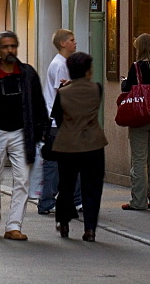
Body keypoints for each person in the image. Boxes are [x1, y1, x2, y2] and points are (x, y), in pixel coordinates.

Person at [0, 30, 48, 241]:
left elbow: (38, 105)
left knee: (23, 180)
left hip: (22, 133)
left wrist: (41, 133)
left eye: (13, 46)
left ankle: (14, 225)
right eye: (6, 47)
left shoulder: (27, 74)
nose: (10, 50)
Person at [52, 51, 107, 241]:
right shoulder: (97, 89)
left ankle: (64, 223)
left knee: (66, 185)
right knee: (92, 187)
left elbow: (57, 118)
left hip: (68, 144)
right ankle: (90, 229)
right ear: (88, 71)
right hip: (93, 143)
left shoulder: (63, 93)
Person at [38, 28, 78, 215]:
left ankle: (72, 198)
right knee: (55, 164)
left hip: (60, 121)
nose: (75, 42)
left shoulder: (62, 63)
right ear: (63, 43)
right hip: (58, 122)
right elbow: (61, 94)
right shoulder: (61, 64)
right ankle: (48, 201)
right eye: (72, 39)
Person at [120, 32, 150, 211]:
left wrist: (125, 82)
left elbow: (128, 88)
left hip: (140, 116)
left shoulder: (137, 67)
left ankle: (138, 201)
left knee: (139, 159)